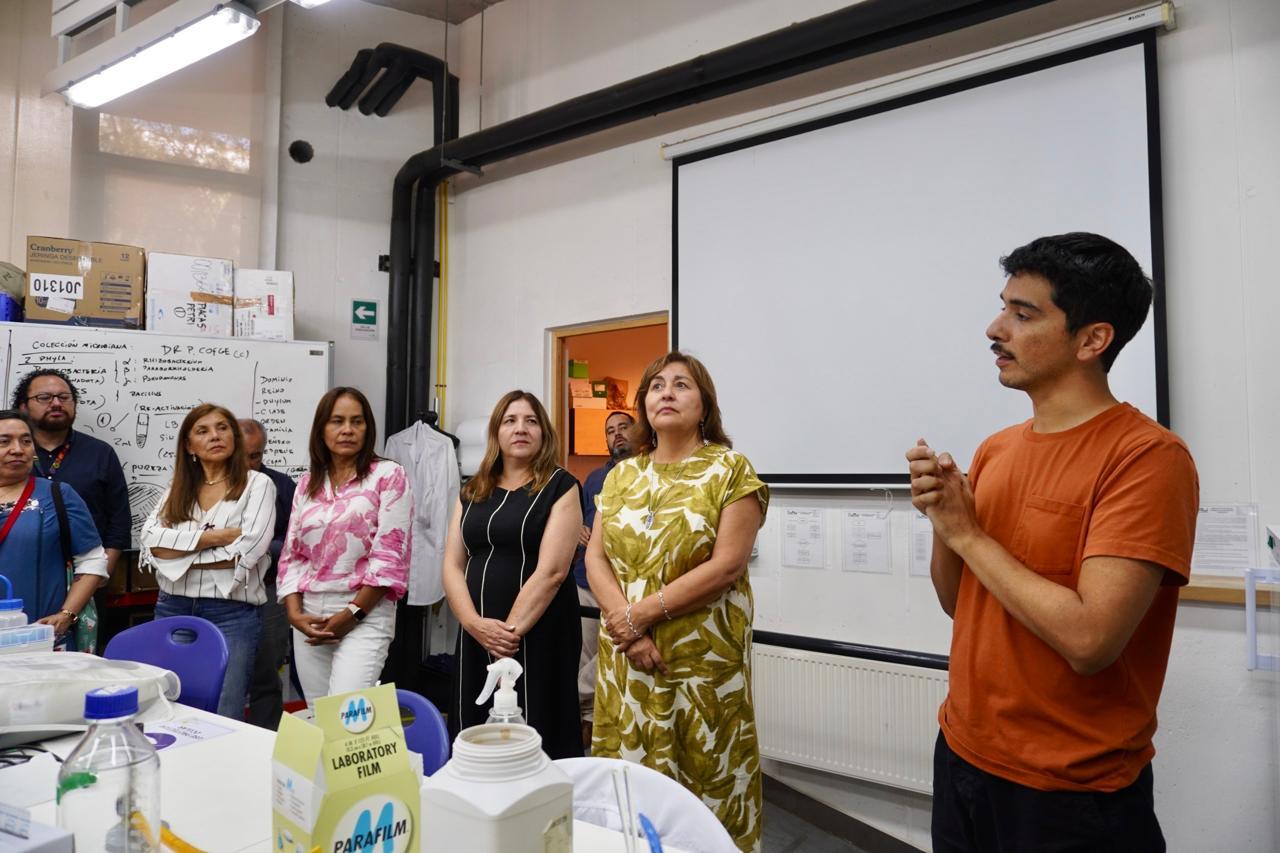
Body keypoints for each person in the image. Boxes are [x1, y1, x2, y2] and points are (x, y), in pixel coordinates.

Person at [906, 233, 1199, 853]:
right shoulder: (996, 448)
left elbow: (1091, 640)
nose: (995, 328)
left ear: (1093, 340)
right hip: (963, 753)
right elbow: (959, 603)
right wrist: (945, 522)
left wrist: (968, 533)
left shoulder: (1147, 458)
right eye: (1003, 306)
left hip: (1069, 793)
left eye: (1023, 313)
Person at [587, 352, 769, 853]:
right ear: (644, 405)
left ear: (704, 404)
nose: (666, 393)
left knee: (704, 785)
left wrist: (639, 617)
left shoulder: (730, 469)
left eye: (681, 385)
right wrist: (628, 630)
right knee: (630, 788)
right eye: (656, 386)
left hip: (699, 668)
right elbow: (595, 557)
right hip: (627, 665)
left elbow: (727, 565)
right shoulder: (621, 476)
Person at [442, 390, 581, 757]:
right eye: (510, 420)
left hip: (537, 632)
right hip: (477, 632)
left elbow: (552, 571)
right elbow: (453, 564)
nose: (521, 428)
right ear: (496, 433)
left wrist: (504, 636)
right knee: (476, 725)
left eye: (531, 421)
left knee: (538, 729)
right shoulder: (472, 489)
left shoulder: (561, 486)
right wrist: (474, 624)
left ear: (544, 433)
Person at [140, 404, 277, 719]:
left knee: (223, 709)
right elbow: (150, 543)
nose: (215, 436)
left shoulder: (257, 485)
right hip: (172, 606)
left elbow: (247, 552)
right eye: (203, 431)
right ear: (189, 446)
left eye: (222, 427)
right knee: (172, 705)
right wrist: (214, 538)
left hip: (231, 613)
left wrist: (177, 556)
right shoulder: (178, 487)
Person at [276, 387, 410, 706]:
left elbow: (389, 558)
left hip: (365, 610)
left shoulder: (388, 476)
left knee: (346, 717)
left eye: (357, 421)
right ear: (322, 429)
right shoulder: (308, 483)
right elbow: (293, 555)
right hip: (310, 614)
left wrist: (351, 614)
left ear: (368, 428)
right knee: (319, 714)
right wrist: (294, 613)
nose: (347, 429)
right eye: (337, 421)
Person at [14, 368, 131, 646]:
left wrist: (101, 573)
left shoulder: (100, 453)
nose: (56, 403)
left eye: (64, 397)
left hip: (85, 580)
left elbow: (118, 519)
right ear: (23, 406)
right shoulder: (12, 457)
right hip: (23, 578)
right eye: (44, 397)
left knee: (78, 661)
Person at [0, 410, 107, 648]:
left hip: (42, 637)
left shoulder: (58, 494)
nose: (18, 449)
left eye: (26, 441)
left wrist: (67, 615)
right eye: (4, 442)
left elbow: (92, 561)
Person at [571, 410, 634, 746]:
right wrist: (579, 531)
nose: (617, 434)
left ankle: (576, 698)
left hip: (625, 585)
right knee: (588, 652)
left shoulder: (648, 473)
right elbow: (582, 520)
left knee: (611, 652)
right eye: (610, 431)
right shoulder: (594, 478)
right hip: (585, 579)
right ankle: (588, 726)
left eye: (624, 427)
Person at [239, 418, 298, 729]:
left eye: (256, 456)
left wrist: (261, 547)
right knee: (228, 676)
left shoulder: (281, 485)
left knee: (267, 671)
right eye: (243, 455)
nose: (249, 464)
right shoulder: (209, 484)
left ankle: (265, 738)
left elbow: (295, 540)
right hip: (223, 596)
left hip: (270, 590)